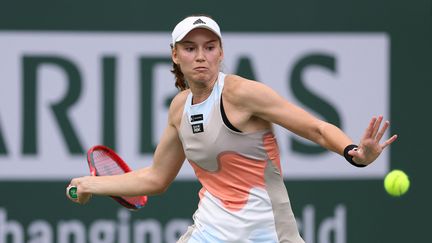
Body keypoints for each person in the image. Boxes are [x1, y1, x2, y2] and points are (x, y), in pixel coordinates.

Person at [66, 15, 398, 242]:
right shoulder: (179, 108)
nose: (201, 57)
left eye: (210, 47)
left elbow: (315, 128)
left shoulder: (241, 93)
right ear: (175, 55)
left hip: (268, 233)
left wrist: (354, 153)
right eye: (190, 48)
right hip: (211, 230)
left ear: (220, 52)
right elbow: (156, 178)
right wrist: (93, 184)